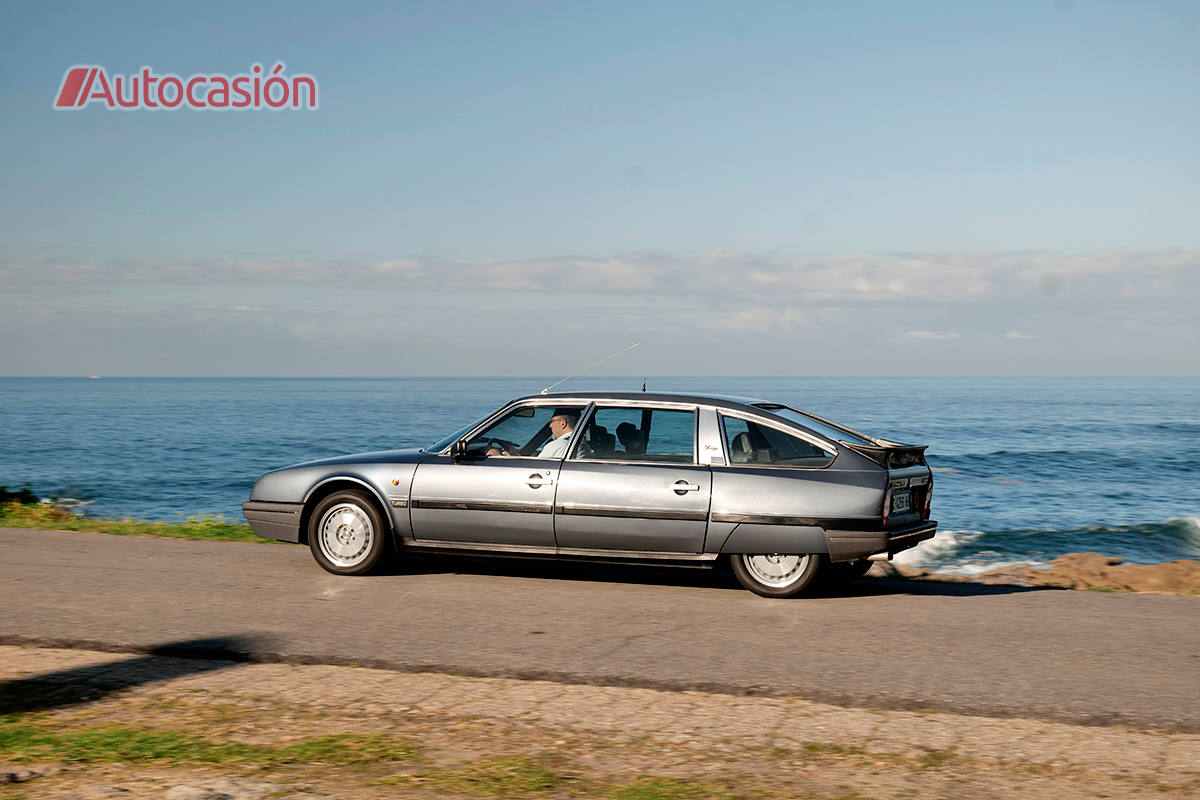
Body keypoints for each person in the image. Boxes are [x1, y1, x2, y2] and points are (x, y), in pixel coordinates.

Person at [486, 412, 577, 458]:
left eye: (552, 421)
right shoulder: (581, 444)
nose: (550, 425)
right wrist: (516, 456)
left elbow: (535, 471)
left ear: (562, 423)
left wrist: (498, 457)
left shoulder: (557, 445)